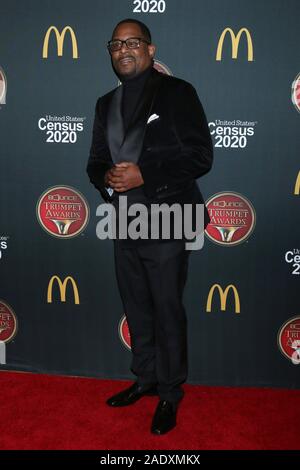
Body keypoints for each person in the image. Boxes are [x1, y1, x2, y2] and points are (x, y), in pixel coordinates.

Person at [86, 18, 213, 435]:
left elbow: (200, 157)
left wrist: (145, 174)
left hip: (169, 218)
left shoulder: (179, 93)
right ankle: (145, 379)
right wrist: (106, 176)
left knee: (166, 310)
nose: (123, 49)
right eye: (115, 44)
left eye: (133, 42)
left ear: (151, 49)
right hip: (124, 221)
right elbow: (95, 161)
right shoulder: (106, 103)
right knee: (137, 307)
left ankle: (170, 394)